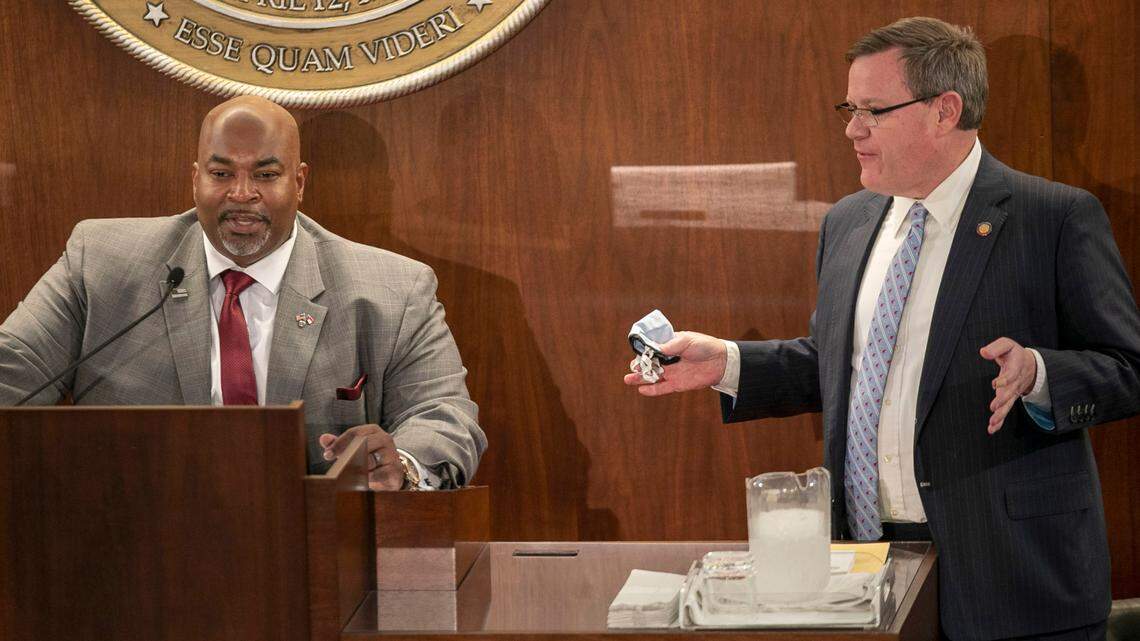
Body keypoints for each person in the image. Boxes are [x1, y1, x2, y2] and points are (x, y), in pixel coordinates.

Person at [625, 17, 1140, 641]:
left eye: (873, 110)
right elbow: (843, 365)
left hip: (1014, 574)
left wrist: (1037, 374)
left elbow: (1126, 368)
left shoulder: (1052, 218)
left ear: (945, 111)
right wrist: (729, 363)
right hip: (865, 572)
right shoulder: (849, 221)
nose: (852, 129)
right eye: (850, 107)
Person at [0, 95, 486, 490]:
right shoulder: (102, 263)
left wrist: (399, 465)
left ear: (299, 183)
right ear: (195, 181)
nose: (241, 193)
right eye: (222, 173)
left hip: (311, 556)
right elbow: (12, 372)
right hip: (128, 548)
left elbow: (443, 415)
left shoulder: (392, 290)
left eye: (266, 175)